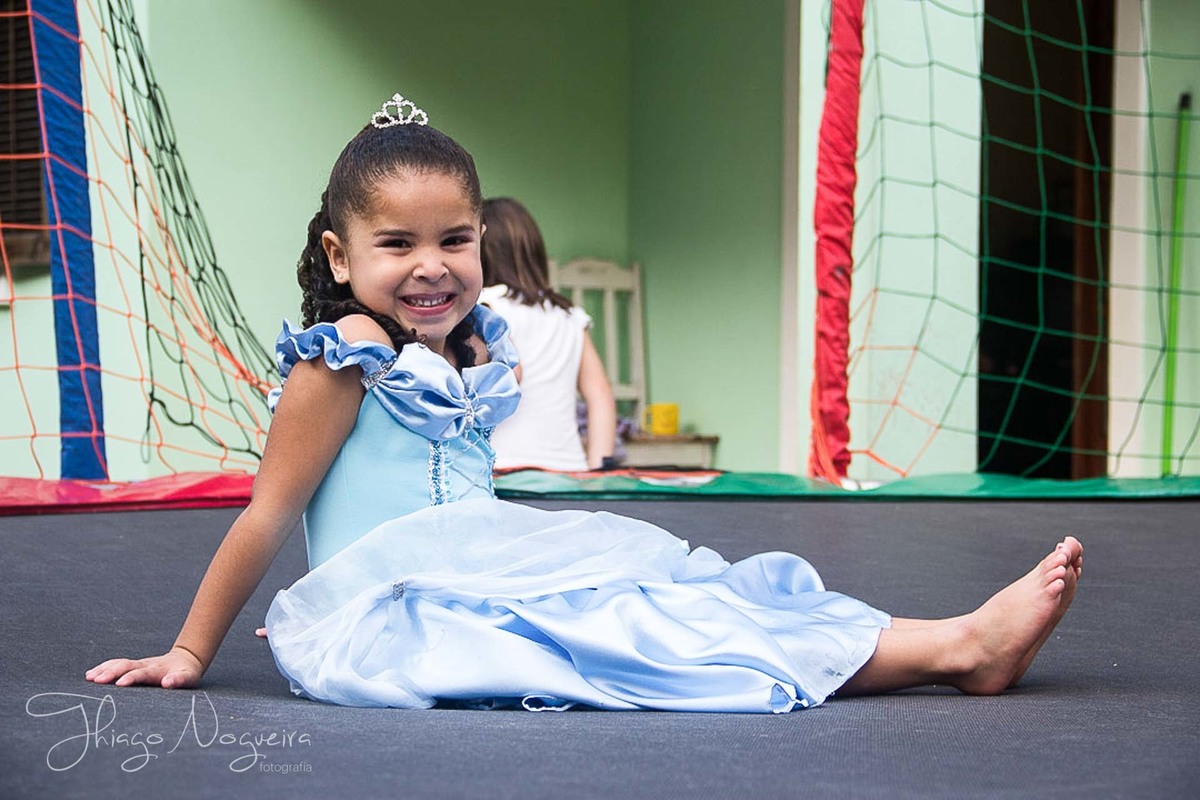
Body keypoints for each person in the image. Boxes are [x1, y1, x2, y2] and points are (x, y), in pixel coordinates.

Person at [86, 93, 1083, 712]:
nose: (432, 265)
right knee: (635, 630)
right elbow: (271, 509)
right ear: (342, 256)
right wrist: (190, 647)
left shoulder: (477, 340)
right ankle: (955, 646)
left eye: (455, 238)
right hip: (398, 610)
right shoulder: (341, 355)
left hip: (465, 569)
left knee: (687, 586)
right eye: (397, 245)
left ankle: (938, 641)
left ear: (483, 237)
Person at [479, 197, 616, 471]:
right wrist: (598, 470)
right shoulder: (569, 315)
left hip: (503, 468)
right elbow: (600, 395)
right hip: (568, 469)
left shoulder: (485, 307)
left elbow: (507, 375)